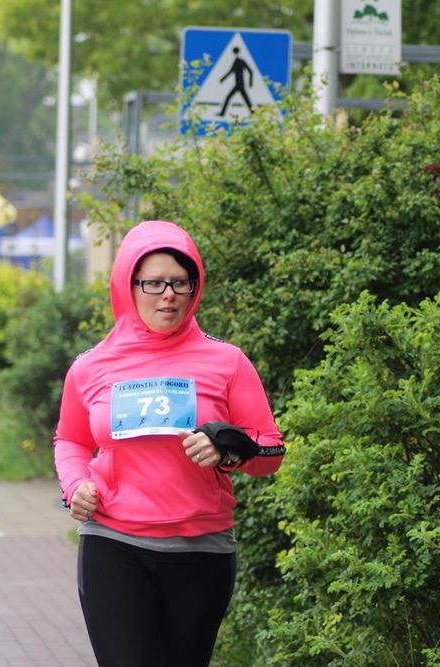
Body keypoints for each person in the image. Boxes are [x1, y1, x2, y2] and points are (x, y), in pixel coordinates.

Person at [54, 220, 285, 665]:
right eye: (154, 283)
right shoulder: (90, 366)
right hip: (113, 541)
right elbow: (70, 440)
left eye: (181, 282)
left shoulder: (227, 361)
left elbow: (270, 449)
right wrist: (75, 486)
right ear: (128, 285)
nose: (169, 295)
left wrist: (225, 451)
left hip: (200, 549)